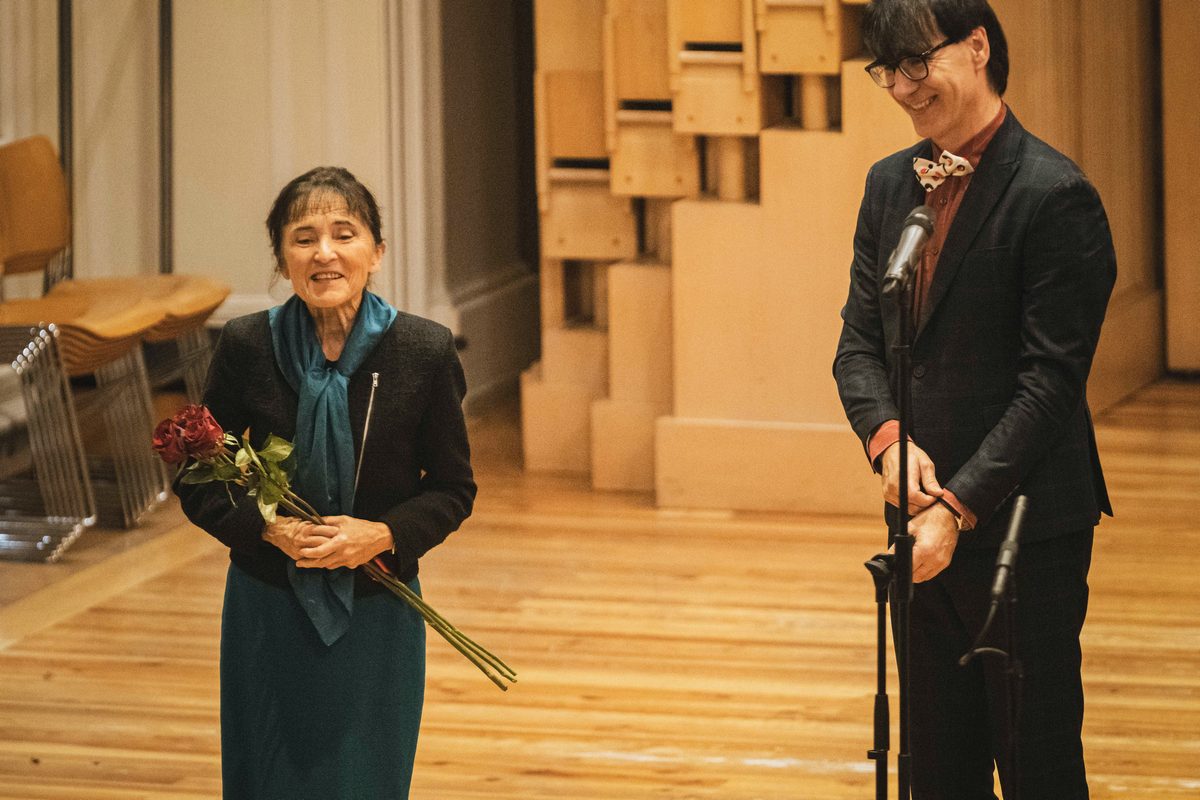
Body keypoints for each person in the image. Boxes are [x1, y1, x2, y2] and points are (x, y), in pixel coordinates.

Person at [833, 1, 1115, 798]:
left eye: (917, 63)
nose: (901, 87)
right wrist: (889, 441)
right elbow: (857, 345)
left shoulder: (1056, 194)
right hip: (913, 519)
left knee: (1037, 763)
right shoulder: (889, 185)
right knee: (936, 765)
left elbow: (1051, 381)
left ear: (978, 45)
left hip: (1026, 527)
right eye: (886, 70)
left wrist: (958, 505)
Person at [175, 166, 476, 799]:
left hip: (379, 605)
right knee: (267, 773)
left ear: (377, 252)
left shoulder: (423, 351)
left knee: (366, 778)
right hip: (268, 604)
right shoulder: (245, 345)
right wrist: (270, 528)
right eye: (303, 237)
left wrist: (384, 533)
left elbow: (452, 487)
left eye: (344, 233)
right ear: (283, 261)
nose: (325, 253)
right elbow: (200, 479)